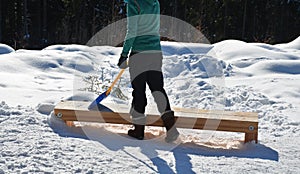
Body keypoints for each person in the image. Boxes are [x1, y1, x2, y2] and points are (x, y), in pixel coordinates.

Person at [117, 0, 179, 143]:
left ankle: (139, 130)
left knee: (139, 91)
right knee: (158, 89)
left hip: (139, 53)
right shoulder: (155, 2)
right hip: (155, 52)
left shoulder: (134, 4)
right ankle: (171, 129)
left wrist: (124, 55)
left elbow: (132, 31)